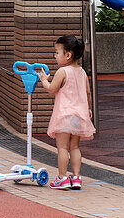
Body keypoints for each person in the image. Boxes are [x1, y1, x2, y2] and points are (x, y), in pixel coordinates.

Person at [38, 34, 94, 190]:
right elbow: (88, 93)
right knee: (74, 147)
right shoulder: (82, 72)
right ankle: (76, 177)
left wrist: (44, 79)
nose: (55, 55)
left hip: (64, 115)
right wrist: (88, 109)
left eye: (57, 52)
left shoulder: (63, 72)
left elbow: (51, 89)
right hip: (79, 115)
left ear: (68, 55)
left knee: (62, 148)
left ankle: (62, 178)